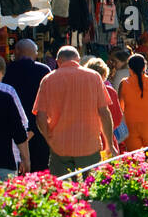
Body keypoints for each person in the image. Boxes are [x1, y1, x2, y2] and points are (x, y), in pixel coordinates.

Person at [33, 46, 118, 177]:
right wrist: (109, 144)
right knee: (90, 190)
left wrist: (49, 138)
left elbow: (40, 116)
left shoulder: (48, 80)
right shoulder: (94, 77)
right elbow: (104, 113)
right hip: (89, 146)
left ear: (58, 61)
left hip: (59, 147)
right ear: (78, 60)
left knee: (63, 192)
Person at [3, 37, 51, 172]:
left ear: (17, 51)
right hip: (39, 128)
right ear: (34, 53)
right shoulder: (44, 70)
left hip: (15, 130)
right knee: (41, 173)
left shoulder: (8, 70)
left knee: (19, 174)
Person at [117, 53, 148, 151]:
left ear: (129, 68)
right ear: (144, 66)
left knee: (134, 159)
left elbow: (120, 107)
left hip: (131, 124)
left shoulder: (123, 83)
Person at [83, 57, 125, 156]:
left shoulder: (83, 93)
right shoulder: (110, 91)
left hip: (89, 141)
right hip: (109, 140)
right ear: (104, 74)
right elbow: (118, 119)